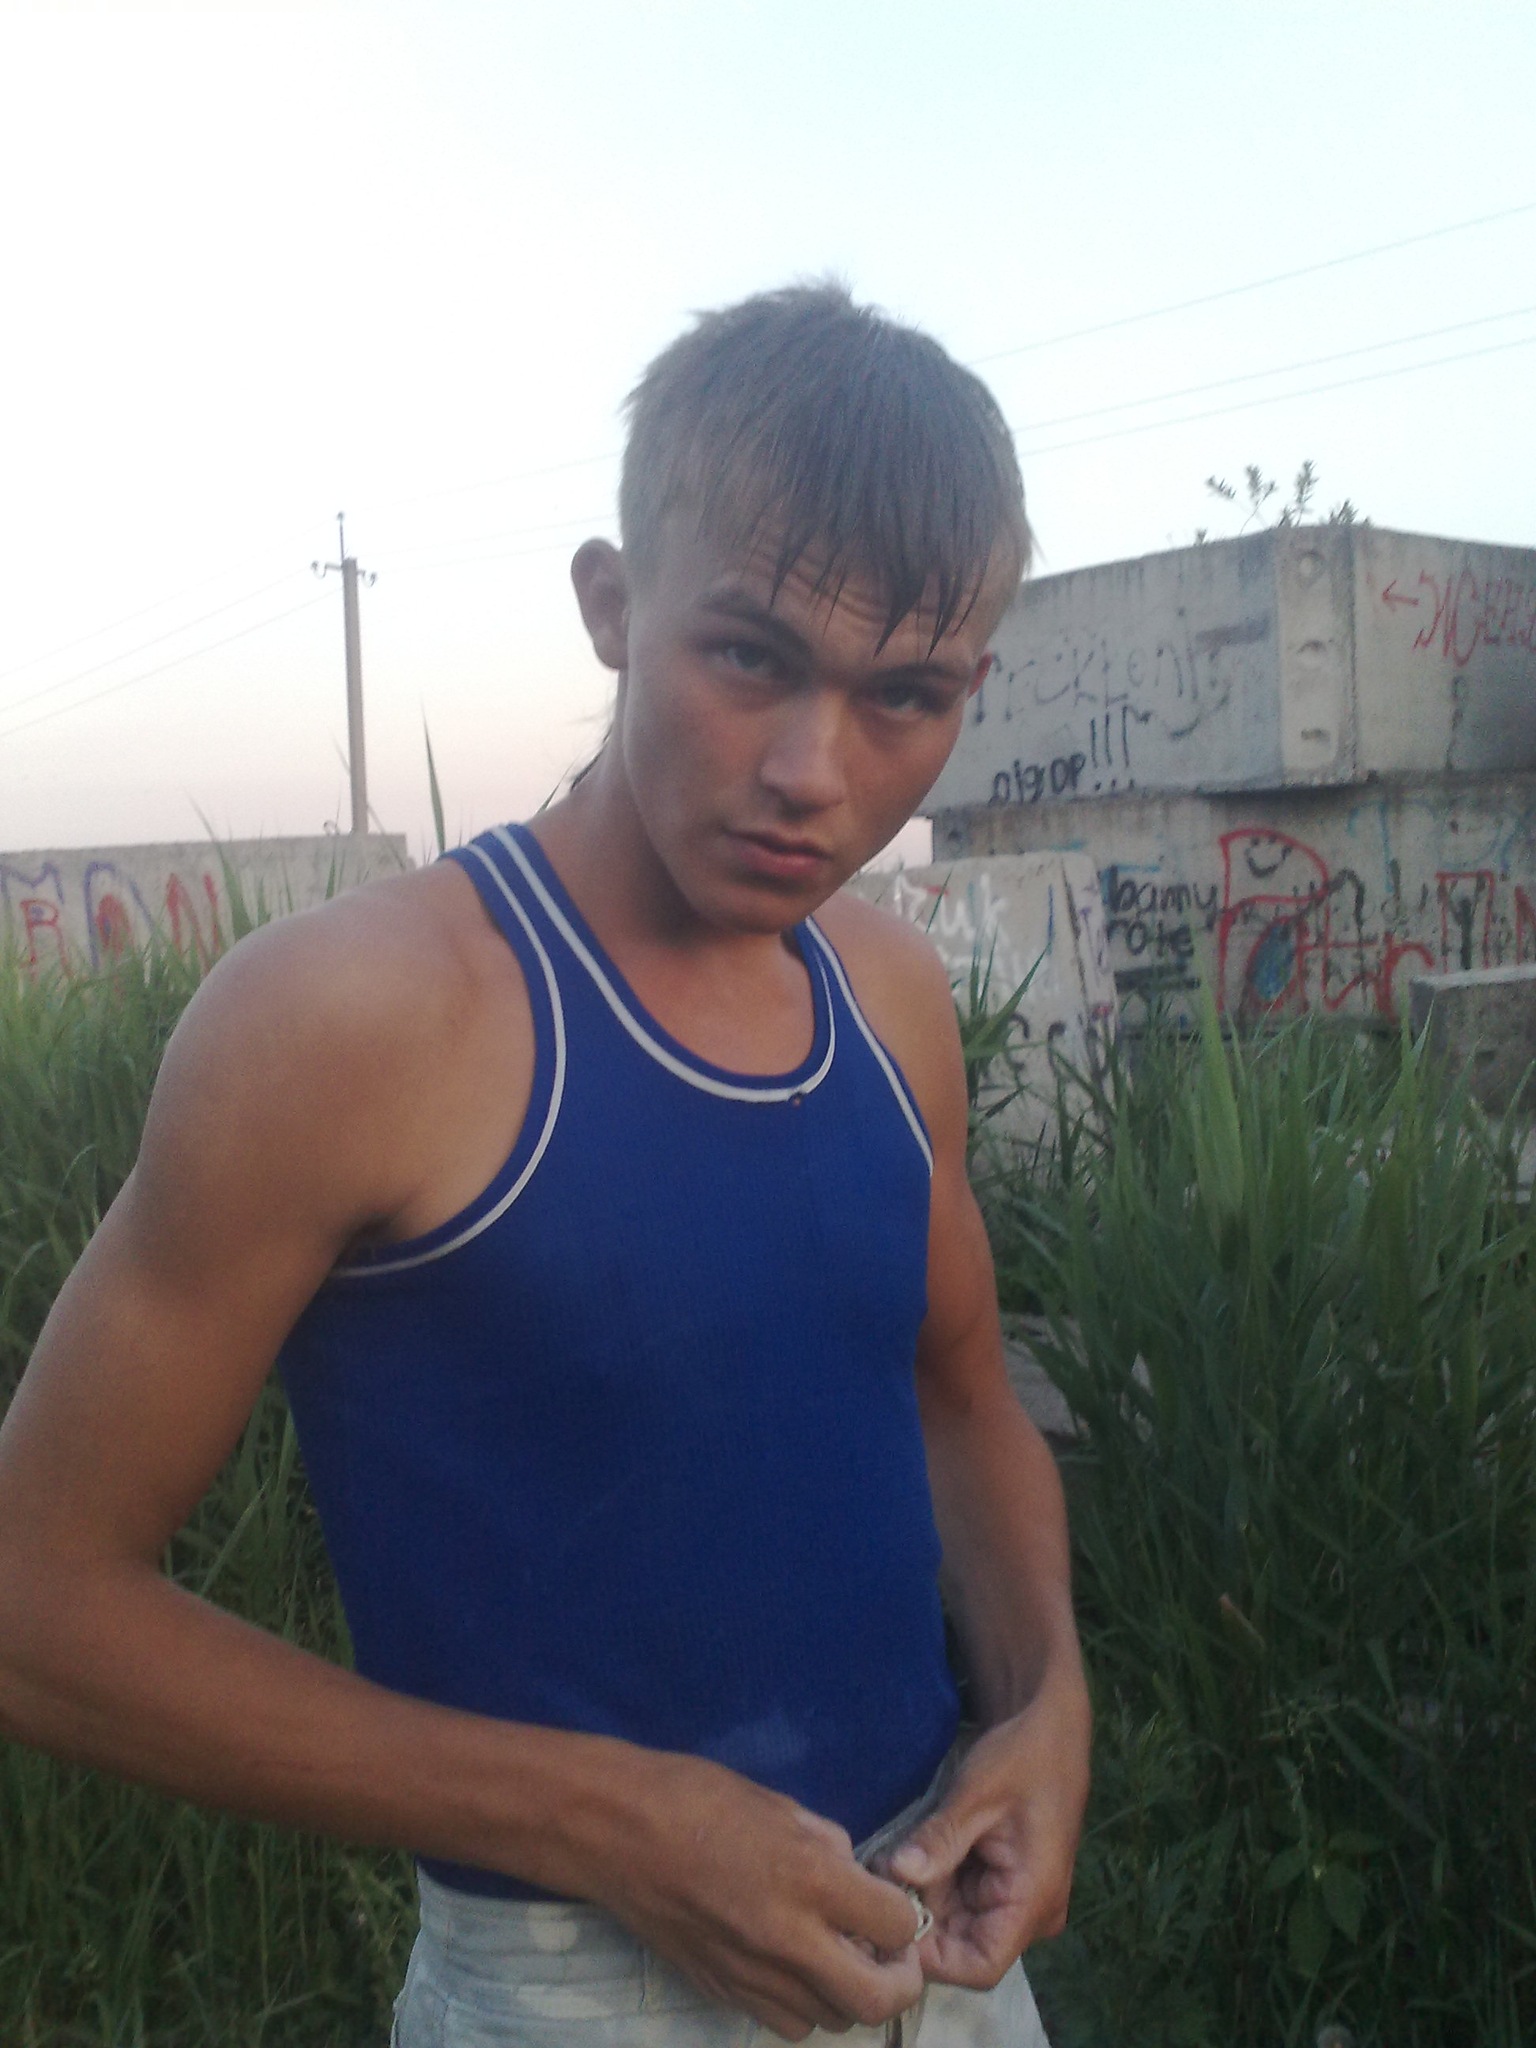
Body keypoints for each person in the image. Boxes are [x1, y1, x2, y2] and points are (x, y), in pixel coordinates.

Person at [0, 283, 1090, 2045]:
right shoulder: (357, 1019)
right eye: (749, 657)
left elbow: (961, 1399)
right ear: (612, 606)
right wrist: (606, 1825)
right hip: (575, 1983)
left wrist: (1048, 1702)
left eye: (903, 696)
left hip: (944, 1946)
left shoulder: (889, 997)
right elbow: (34, 1604)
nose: (812, 771)